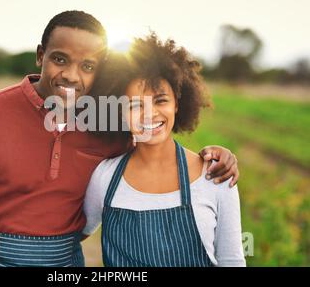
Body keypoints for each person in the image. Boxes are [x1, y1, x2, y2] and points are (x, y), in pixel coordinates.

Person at [0, 11, 239, 267]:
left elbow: (153, 145)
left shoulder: (107, 127)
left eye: (88, 66)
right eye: (60, 59)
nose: (72, 76)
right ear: (40, 55)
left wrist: (214, 154)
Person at [83, 34, 245, 267]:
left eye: (160, 101)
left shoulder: (215, 176)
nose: (149, 114)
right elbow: (73, 234)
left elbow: (232, 260)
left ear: (177, 103)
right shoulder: (105, 177)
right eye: (136, 105)